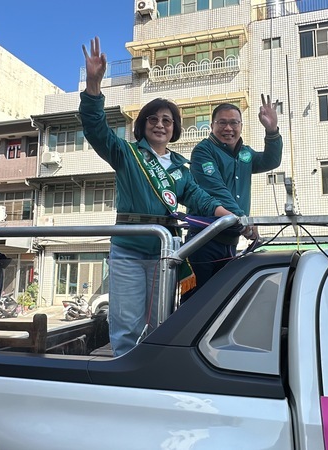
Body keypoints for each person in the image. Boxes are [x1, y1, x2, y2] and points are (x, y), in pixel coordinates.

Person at [80, 36, 232, 356]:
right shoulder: (126, 154)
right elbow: (95, 130)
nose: (160, 125)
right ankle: (125, 374)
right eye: (153, 119)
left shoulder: (180, 166)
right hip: (130, 250)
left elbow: (198, 197)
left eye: (167, 120)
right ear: (143, 125)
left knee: (161, 320)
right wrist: (94, 85)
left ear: (174, 128)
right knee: (126, 323)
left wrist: (227, 216)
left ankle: (152, 373)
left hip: (167, 251)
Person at [183, 99, 282, 297]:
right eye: (222, 122)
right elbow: (216, 190)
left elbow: (271, 161)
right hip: (204, 239)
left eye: (234, 123)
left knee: (222, 302)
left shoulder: (245, 153)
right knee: (197, 304)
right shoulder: (204, 151)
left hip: (231, 240)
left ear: (241, 126)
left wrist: (272, 131)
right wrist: (242, 220)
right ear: (212, 126)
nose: (228, 128)